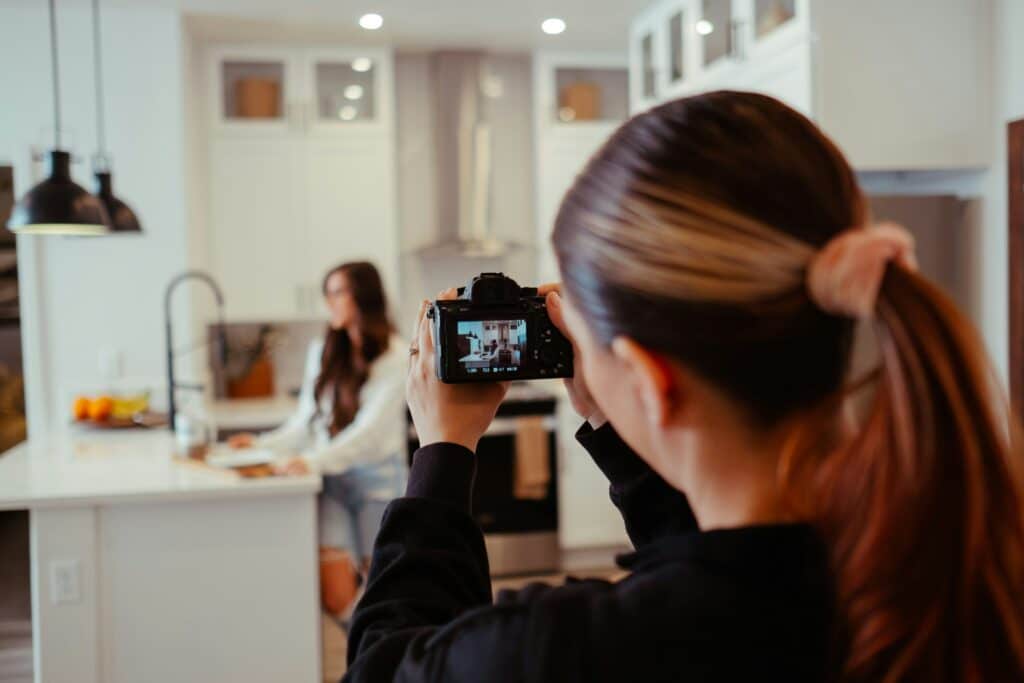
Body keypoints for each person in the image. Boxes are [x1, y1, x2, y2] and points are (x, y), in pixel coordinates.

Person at [342, 92, 1024, 682]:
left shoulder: (562, 650)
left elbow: (381, 664)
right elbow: (718, 565)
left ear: (647, 377)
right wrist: (615, 413)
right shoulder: (951, 578)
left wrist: (442, 450)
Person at [229, 261, 406, 616]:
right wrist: (262, 444)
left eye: (338, 292)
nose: (330, 303)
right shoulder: (323, 351)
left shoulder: (397, 356)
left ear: (364, 297)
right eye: (327, 294)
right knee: (336, 596)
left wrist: (311, 460)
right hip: (332, 482)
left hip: (379, 484)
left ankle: (385, 663)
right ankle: (368, 657)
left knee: (385, 593)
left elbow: (369, 435)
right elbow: (305, 421)